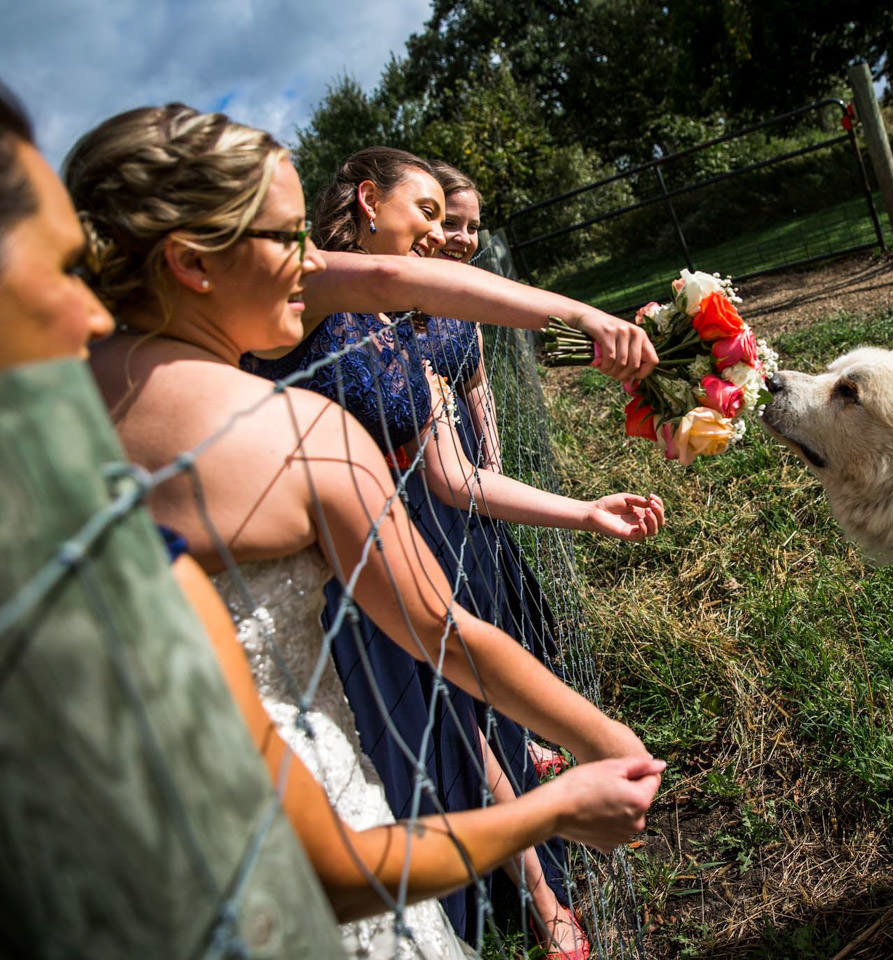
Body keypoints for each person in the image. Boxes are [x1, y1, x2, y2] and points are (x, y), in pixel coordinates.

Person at [64, 103, 664, 957]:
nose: (310, 262)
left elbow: (402, 297)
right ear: (193, 263)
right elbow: (442, 635)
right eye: (286, 238)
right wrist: (586, 763)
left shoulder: (21, 415)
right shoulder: (299, 434)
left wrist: (576, 323)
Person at [247, 146, 663, 957]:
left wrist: (583, 512)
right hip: (341, 566)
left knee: (468, 716)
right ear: (368, 202)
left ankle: (539, 895)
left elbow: (455, 473)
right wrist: (580, 316)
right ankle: (523, 896)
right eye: (428, 214)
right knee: (421, 742)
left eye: (450, 217)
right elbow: (392, 279)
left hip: (423, 542)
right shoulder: (303, 295)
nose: (443, 234)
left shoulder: (415, 336)